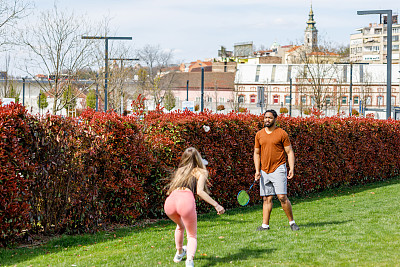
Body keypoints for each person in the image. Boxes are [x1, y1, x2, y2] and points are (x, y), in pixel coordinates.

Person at [164, 147, 225, 267]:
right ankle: (189, 261)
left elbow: (170, 190)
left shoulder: (180, 171)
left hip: (170, 201)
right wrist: (216, 205)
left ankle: (179, 253)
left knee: (180, 226)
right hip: (185, 201)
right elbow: (200, 192)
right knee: (191, 235)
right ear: (198, 158)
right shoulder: (200, 172)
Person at [254, 109, 299, 231]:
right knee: (266, 198)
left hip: (279, 168)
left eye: (269, 117)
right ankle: (265, 226)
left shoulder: (282, 133)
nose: (266, 120)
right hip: (264, 170)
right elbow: (256, 153)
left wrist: (291, 168)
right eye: (265, 118)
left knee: (282, 197)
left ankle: (292, 223)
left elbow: (289, 152)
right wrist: (257, 170)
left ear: (275, 119)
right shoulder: (259, 134)